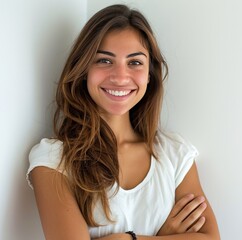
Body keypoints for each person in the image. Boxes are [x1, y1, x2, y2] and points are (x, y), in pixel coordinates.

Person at [27, 4, 220, 240]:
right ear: (84, 69)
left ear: (150, 74)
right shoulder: (53, 160)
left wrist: (127, 239)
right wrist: (164, 235)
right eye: (104, 61)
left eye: (135, 62)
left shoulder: (174, 155)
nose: (120, 77)